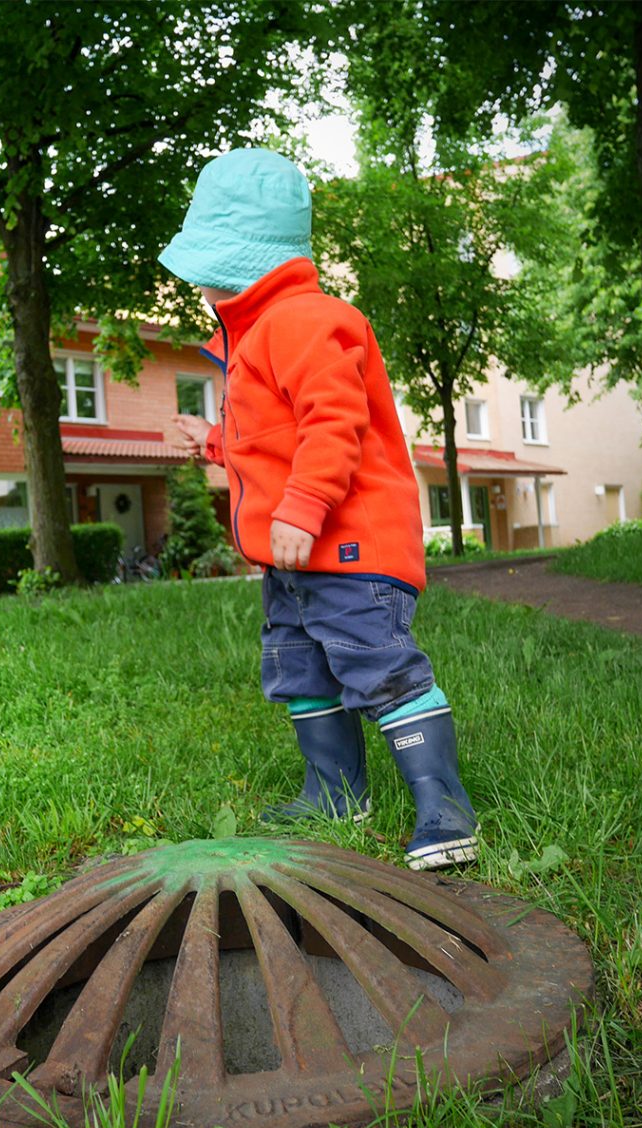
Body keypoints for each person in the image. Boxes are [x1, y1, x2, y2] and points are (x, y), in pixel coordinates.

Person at [161, 149, 477, 873]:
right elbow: (273, 441)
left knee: (379, 667)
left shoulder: (305, 319)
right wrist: (213, 442)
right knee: (302, 669)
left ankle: (444, 806)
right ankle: (334, 794)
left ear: (250, 261)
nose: (203, 285)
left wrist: (303, 510)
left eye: (212, 267)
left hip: (348, 552)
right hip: (295, 560)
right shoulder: (259, 333)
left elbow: (335, 422)